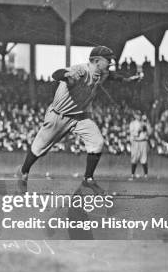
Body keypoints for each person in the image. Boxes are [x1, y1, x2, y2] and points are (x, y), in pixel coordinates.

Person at [15, 46, 142, 194]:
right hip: (59, 115)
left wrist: (127, 80)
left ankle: (88, 179)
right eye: (108, 59)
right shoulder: (81, 71)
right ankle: (23, 172)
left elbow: (112, 75)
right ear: (96, 61)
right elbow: (56, 74)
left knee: (97, 142)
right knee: (39, 149)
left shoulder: (102, 72)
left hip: (81, 116)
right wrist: (67, 75)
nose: (111, 61)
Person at [128, 111, 151, 179]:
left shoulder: (145, 122)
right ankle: (132, 174)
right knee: (134, 157)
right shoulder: (132, 123)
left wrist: (146, 127)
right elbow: (132, 133)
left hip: (143, 142)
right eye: (137, 115)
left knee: (144, 158)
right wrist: (139, 130)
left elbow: (149, 132)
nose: (139, 116)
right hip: (136, 141)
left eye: (140, 115)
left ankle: (146, 175)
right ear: (135, 115)